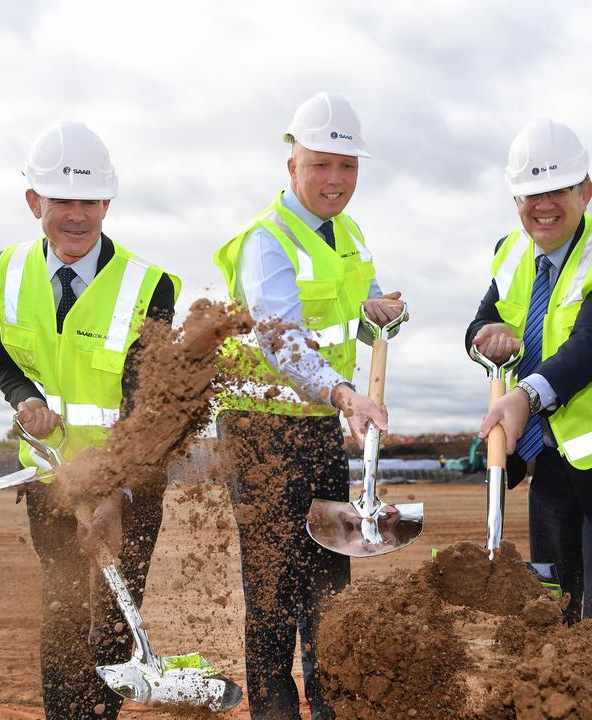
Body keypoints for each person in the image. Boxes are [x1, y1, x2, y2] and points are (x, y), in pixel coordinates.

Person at [212, 91, 404, 719]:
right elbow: (281, 338)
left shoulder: (349, 235)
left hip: (319, 428)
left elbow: (361, 302)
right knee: (270, 591)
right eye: (321, 164)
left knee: (328, 585)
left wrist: (379, 308)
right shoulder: (265, 241)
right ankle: (273, 711)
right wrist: (346, 393)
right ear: (291, 165)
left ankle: (329, 707)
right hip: (261, 434)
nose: (335, 179)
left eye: (347, 166)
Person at [0, 120, 178, 720]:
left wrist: (114, 494)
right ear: (32, 202)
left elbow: (149, 405)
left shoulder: (151, 287)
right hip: (50, 482)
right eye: (61, 200)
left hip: (130, 488)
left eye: (89, 201)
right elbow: (2, 358)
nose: (76, 215)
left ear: (108, 202)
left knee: (116, 622)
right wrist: (25, 402)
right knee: (65, 614)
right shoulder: (7, 269)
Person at [473, 118, 592, 623]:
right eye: (529, 194)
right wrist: (486, 335)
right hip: (552, 465)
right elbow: (484, 318)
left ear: (586, 190)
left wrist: (524, 397)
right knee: (550, 606)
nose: (543, 206)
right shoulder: (509, 252)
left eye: (557, 190)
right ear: (515, 200)